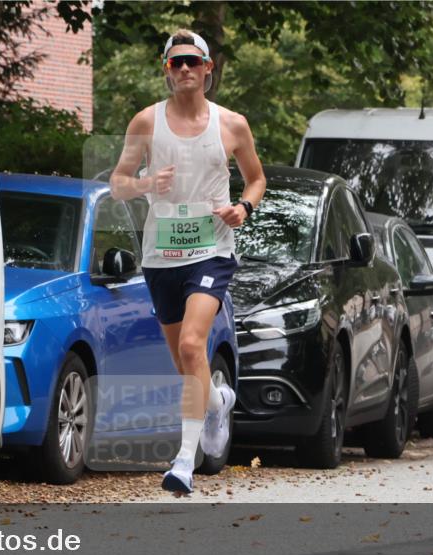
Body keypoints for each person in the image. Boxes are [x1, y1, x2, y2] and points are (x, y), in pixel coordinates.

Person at [110, 29, 266, 494]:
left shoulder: (232, 125)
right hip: (161, 254)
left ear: (207, 69)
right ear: (166, 69)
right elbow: (117, 182)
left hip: (211, 249)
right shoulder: (145, 122)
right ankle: (216, 401)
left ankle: (183, 461)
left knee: (195, 346)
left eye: (191, 62)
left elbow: (256, 180)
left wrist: (243, 209)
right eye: (175, 63)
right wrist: (144, 184)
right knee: (185, 361)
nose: (183, 70)